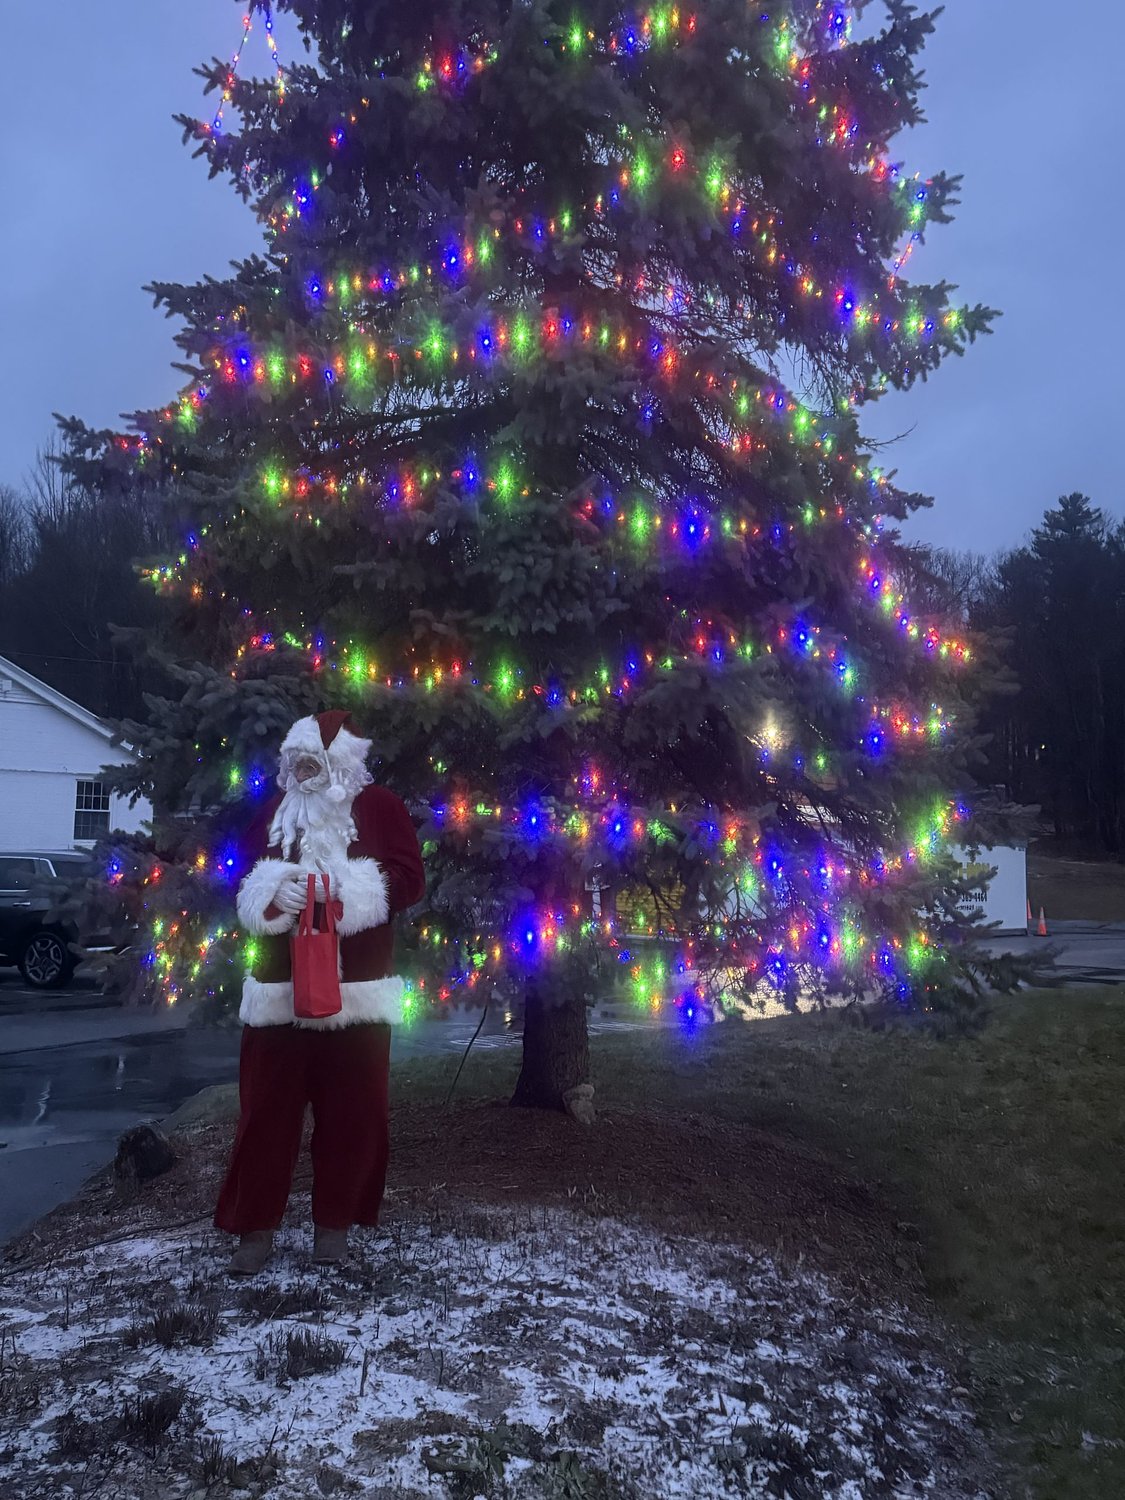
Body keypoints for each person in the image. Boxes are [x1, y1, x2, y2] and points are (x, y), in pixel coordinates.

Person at [214, 709, 425, 1275]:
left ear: (340, 763)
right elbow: (243, 878)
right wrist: (270, 894)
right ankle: (254, 1229)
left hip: (358, 996)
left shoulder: (381, 809)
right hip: (278, 994)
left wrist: (344, 892)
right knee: (264, 1116)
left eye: (314, 762)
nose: (302, 771)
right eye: (296, 762)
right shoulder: (274, 814)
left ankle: (335, 1224)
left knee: (355, 1116)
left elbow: (408, 877)